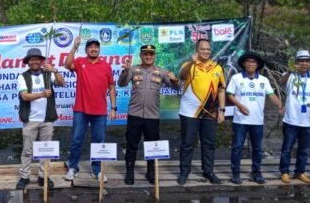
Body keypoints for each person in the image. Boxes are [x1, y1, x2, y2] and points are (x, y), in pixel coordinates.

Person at [117, 44, 178, 185]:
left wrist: (174, 79)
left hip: (152, 116)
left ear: (154, 56)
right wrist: (125, 72)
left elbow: (176, 88)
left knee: (152, 146)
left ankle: (150, 172)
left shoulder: (161, 72)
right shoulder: (133, 69)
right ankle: (130, 173)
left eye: (151, 54)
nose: (148, 57)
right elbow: (121, 84)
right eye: (145, 54)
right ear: (141, 56)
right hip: (135, 114)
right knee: (132, 144)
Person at [63, 36, 117, 181]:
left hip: (100, 111)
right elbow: (67, 65)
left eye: (96, 47)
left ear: (99, 49)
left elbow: (112, 87)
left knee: (99, 141)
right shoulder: (80, 62)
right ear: (86, 49)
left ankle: (97, 170)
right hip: (81, 109)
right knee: (76, 140)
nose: (94, 49)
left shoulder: (106, 66)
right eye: (90, 47)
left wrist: (113, 108)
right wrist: (74, 47)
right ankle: (73, 168)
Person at [225, 51, 282, 184]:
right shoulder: (236, 78)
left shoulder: (263, 80)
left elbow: (271, 95)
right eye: (248, 61)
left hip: (257, 121)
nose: (250, 63)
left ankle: (256, 172)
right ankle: (236, 173)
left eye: (253, 61)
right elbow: (229, 94)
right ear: (244, 64)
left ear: (257, 65)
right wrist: (238, 105)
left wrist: (280, 105)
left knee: (257, 148)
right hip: (240, 120)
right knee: (237, 147)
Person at [178, 39, 226, 185]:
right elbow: (181, 76)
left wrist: (222, 110)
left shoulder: (217, 68)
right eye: (202, 49)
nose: (205, 51)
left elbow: (221, 89)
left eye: (208, 49)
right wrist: (192, 62)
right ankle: (184, 172)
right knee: (187, 143)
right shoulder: (189, 65)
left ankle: (208, 172)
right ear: (196, 50)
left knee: (209, 143)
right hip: (189, 112)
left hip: (210, 112)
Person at [16, 47, 65, 190]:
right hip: (30, 120)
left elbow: (62, 83)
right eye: (32, 59)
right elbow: (24, 96)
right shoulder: (22, 76)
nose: (35, 61)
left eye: (37, 59)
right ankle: (24, 176)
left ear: (41, 61)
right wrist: (42, 94)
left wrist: (55, 71)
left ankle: (43, 175)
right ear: (28, 62)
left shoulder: (48, 74)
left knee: (46, 150)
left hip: (47, 119)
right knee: (27, 150)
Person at [278, 50, 310, 184]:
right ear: (296, 63)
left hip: (307, 121)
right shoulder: (289, 75)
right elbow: (281, 82)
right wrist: (291, 70)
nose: (304, 63)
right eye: (301, 61)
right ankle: (284, 172)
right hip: (291, 119)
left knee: (304, 149)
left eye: (306, 61)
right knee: (287, 148)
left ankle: (300, 172)